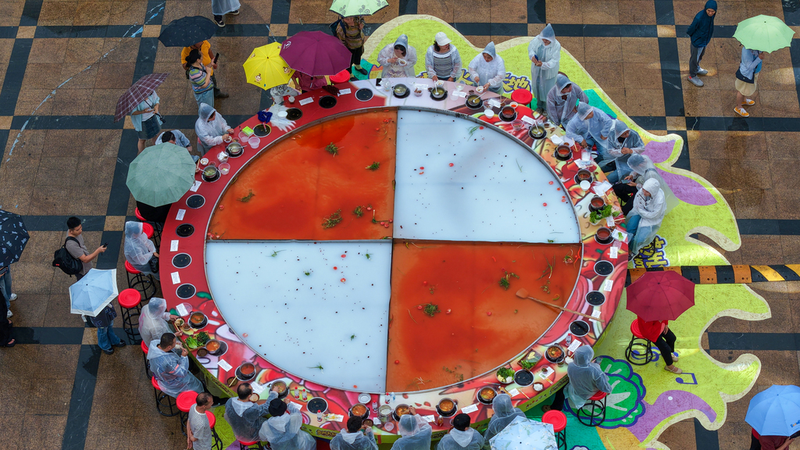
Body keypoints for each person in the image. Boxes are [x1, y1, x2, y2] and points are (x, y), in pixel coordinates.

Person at [546, 346, 612, 411]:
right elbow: (603, 385)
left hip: (575, 388)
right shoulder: (596, 371)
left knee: (559, 388)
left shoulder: (571, 366)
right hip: (589, 391)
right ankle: (556, 408)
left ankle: (556, 407)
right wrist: (608, 390)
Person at [612, 154, 678, 216]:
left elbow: (650, 189)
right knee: (616, 188)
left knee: (625, 210)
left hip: (644, 192)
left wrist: (636, 185)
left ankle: (630, 204)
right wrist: (632, 175)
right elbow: (638, 171)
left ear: (640, 165)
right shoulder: (644, 159)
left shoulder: (651, 175)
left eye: (635, 167)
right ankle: (627, 199)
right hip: (639, 182)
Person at [626, 178, 667, 258]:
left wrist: (641, 211)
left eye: (647, 192)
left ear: (653, 192)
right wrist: (642, 211)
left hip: (651, 220)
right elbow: (637, 203)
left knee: (639, 239)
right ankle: (625, 246)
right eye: (644, 189)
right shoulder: (642, 191)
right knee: (630, 228)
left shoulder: (659, 200)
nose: (644, 192)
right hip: (640, 212)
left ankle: (632, 251)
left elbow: (654, 215)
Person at [565, 102, 615, 167]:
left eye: (591, 111)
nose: (592, 113)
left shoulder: (595, 111)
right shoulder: (575, 121)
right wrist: (581, 139)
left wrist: (604, 133)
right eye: (589, 114)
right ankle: (587, 166)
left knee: (606, 154)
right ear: (583, 116)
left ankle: (598, 162)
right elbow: (568, 132)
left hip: (599, 136)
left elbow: (608, 121)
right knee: (583, 153)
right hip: (587, 138)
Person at [528, 24, 561, 112]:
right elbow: (531, 49)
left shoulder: (556, 45)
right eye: (544, 39)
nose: (544, 41)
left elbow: (554, 61)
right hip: (537, 71)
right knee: (538, 87)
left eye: (547, 40)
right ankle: (539, 106)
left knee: (548, 90)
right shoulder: (537, 40)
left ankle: (547, 108)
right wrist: (532, 57)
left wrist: (543, 65)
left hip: (548, 73)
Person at [686, 1, 717, 87]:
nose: (710, 13)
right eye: (709, 11)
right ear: (705, 9)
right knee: (694, 59)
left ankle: (697, 68)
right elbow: (691, 29)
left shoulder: (711, 17)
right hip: (697, 41)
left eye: (712, 11)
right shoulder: (699, 17)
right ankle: (692, 76)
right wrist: (695, 38)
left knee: (700, 55)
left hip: (704, 41)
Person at [65, 216, 106, 281]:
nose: (80, 230)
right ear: (71, 231)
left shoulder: (74, 232)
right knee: (84, 283)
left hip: (86, 266)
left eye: (81, 227)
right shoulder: (71, 245)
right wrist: (98, 251)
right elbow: (85, 259)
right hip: (82, 270)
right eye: (77, 230)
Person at [735, 47, 765, 117]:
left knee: (745, 90)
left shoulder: (756, 48)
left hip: (753, 73)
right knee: (741, 91)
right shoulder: (746, 51)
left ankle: (743, 100)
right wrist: (759, 58)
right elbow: (749, 67)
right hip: (747, 75)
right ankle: (738, 107)